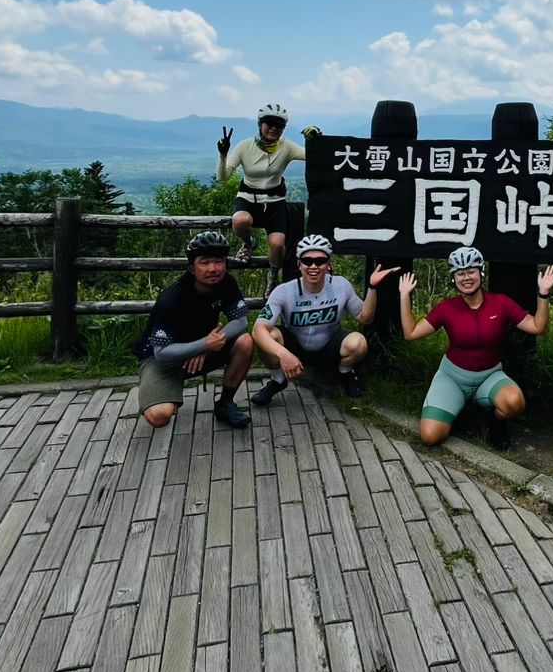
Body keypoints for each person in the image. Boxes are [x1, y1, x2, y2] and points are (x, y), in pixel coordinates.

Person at [399, 246, 553, 450]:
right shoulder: (446, 308)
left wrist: (543, 295)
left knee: (515, 403)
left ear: (481, 272)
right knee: (430, 437)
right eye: (460, 273)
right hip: (452, 378)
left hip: (489, 375)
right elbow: (411, 333)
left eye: (471, 271)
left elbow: (538, 327)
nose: (466, 277)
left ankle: (494, 422)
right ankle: (460, 410)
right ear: (454, 278)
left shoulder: (500, 303)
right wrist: (405, 295)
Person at [249, 234, 393, 403]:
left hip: (329, 345)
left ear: (329, 263)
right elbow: (258, 330)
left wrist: (372, 286)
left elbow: (365, 318)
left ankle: (345, 372)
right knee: (268, 335)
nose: (314, 266)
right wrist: (283, 354)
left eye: (320, 261)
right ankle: (277, 380)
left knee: (358, 343)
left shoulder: (341, 285)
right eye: (307, 261)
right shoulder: (284, 291)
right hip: (295, 345)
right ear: (299, 264)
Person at [136, 230, 255, 430]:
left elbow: (241, 322)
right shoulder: (172, 299)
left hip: (205, 349)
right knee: (159, 417)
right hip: (160, 360)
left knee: (245, 342)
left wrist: (208, 346)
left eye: (219, 261)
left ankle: (225, 403)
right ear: (191, 268)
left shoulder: (227, 284)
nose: (213, 268)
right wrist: (203, 345)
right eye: (205, 262)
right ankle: (164, 392)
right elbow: (161, 352)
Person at [215, 103, 318, 280]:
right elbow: (223, 177)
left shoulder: (287, 147)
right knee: (240, 220)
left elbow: (312, 155)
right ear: (260, 124)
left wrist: (316, 139)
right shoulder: (245, 146)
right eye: (269, 123)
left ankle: (273, 274)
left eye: (279, 125)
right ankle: (248, 243)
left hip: (275, 202)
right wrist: (223, 155)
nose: (273, 128)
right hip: (248, 198)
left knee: (277, 245)